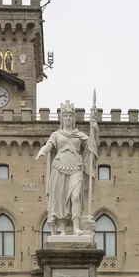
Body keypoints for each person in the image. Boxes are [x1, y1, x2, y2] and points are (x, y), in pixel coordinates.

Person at [36, 100, 98, 236]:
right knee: (61, 200)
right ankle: (63, 230)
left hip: (76, 168)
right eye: (66, 115)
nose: (68, 118)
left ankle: (76, 227)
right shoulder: (56, 134)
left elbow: (92, 145)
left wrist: (94, 128)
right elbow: (49, 145)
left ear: (73, 118)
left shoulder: (78, 135)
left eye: (70, 115)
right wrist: (43, 151)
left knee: (75, 197)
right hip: (59, 168)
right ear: (62, 118)